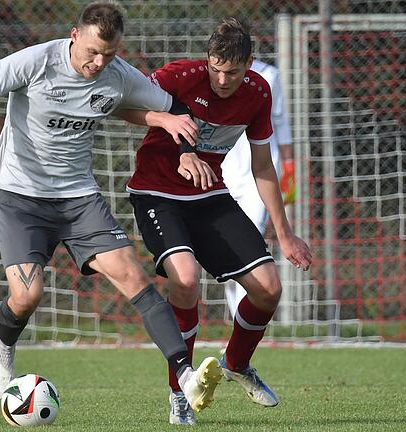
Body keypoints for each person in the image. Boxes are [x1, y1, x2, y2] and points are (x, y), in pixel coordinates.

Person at [0, 0, 223, 413]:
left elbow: (173, 109)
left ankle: (185, 376)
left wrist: (181, 145)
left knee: (133, 277)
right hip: (21, 194)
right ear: (75, 35)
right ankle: (1, 342)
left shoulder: (118, 74)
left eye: (108, 54)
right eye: (92, 51)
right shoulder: (37, 62)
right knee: (28, 295)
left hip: (78, 198)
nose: (98, 62)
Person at [117, 17, 312, 425]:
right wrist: (168, 124)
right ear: (207, 59)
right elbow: (123, 104)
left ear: (250, 66)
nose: (223, 80)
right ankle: (180, 392)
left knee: (268, 289)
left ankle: (236, 364)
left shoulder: (258, 92)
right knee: (185, 281)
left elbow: (263, 165)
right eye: (216, 69)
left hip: (210, 195)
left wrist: (286, 232)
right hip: (157, 194)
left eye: (233, 72)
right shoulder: (180, 77)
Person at [220, 59, 296, 318]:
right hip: (224, 172)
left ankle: (242, 332)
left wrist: (289, 169)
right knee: (226, 253)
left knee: (247, 246)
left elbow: (281, 123)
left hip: (259, 175)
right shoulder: (217, 77)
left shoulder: (269, 76)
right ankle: (237, 326)